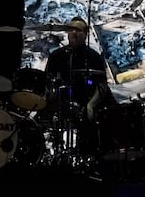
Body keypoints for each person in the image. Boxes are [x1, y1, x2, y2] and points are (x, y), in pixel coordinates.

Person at [44, 17, 113, 160]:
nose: (74, 33)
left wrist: (91, 105)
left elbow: (102, 85)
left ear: (86, 34)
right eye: (71, 30)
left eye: (78, 30)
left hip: (87, 103)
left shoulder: (94, 57)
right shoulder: (57, 56)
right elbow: (48, 81)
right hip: (63, 102)